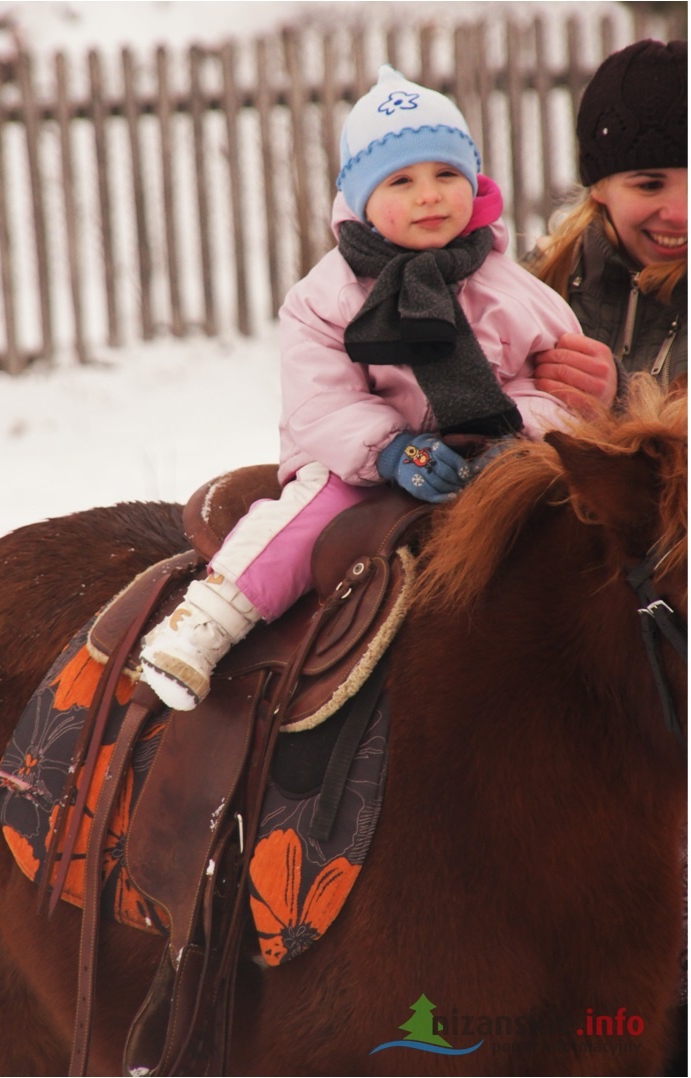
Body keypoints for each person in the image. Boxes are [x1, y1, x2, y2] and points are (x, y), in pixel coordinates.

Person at [139, 65, 582, 712]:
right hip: (364, 461)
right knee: (309, 518)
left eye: (446, 175)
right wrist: (388, 448)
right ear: (360, 199)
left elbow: (550, 386)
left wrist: (519, 436)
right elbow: (320, 401)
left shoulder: (512, 289)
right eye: (401, 181)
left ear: (475, 183)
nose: (429, 195)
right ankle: (211, 617)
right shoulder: (327, 296)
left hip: (495, 458)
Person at [528, 38, 687, 408]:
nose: (680, 214)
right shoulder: (534, 288)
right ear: (599, 185)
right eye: (650, 185)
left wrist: (621, 402)